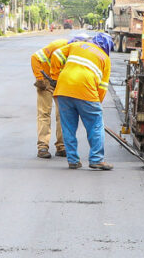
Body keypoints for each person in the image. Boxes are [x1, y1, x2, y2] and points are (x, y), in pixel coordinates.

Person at [50, 32, 114, 170]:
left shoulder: (77, 44)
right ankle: (96, 159)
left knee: (68, 127)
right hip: (87, 92)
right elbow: (103, 87)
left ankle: (73, 160)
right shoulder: (105, 59)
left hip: (63, 90)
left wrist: (55, 77)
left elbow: (56, 55)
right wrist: (98, 104)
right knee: (96, 125)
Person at [30, 38, 69, 158]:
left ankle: (61, 147)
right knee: (44, 113)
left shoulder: (78, 53)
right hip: (46, 81)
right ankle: (42, 147)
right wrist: (39, 78)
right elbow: (35, 58)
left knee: (63, 114)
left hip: (61, 82)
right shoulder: (57, 46)